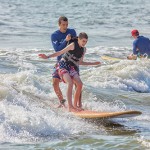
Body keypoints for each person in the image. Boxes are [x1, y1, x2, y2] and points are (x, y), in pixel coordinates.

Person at [39, 32, 101, 112]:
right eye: (83, 41)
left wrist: (93, 63)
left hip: (71, 67)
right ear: (78, 39)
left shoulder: (83, 49)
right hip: (63, 65)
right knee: (70, 83)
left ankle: (75, 105)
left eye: (86, 41)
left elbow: (80, 62)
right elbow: (60, 52)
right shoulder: (72, 45)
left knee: (79, 84)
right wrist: (47, 56)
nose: (84, 43)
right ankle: (70, 107)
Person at [51, 16, 77, 107]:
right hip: (60, 63)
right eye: (63, 25)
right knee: (55, 82)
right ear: (59, 24)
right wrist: (65, 40)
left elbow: (76, 45)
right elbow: (57, 49)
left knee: (76, 83)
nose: (65, 27)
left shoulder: (72, 32)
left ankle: (77, 103)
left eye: (66, 24)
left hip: (71, 62)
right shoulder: (54, 35)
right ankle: (62, 101)